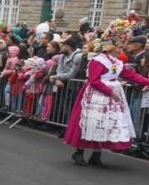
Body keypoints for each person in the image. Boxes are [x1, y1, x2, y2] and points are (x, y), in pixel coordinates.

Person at [63, 19, 149, 167]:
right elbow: (94, 81)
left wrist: (147, 81)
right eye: (118, 47)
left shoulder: (117, 62)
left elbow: (131, 76)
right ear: (110, 48)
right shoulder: (98, 61)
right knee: (91, 122)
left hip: (110, 97)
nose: (121, 49)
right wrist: (110, 92)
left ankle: (96, 155)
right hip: (96, 96)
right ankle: (79, 152)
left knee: (105, 124)